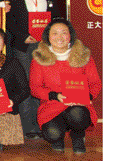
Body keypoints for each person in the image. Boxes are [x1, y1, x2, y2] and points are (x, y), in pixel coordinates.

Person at [3, 0, 61, 139]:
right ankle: (28, 127)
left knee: (45, 83)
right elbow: (9, 20)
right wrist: (22, 36)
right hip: (24, 45)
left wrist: (51, 37)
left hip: (46, 46)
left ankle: (46, 123)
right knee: (27, 84)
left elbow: (56, 17)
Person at [30, 19, 101, 153]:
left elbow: (95, 83)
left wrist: (88, 96)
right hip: (52, 105)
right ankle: (58, 137)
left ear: (70, 35)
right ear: (48, 37)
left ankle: (78, 135)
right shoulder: (39, 59)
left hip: (79, 105)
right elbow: (35, 88)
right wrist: (55, 96)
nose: (60, 37)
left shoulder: (83, 55)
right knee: (53, 134)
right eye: (55, 33)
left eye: (64, 33)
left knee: (78, 115)